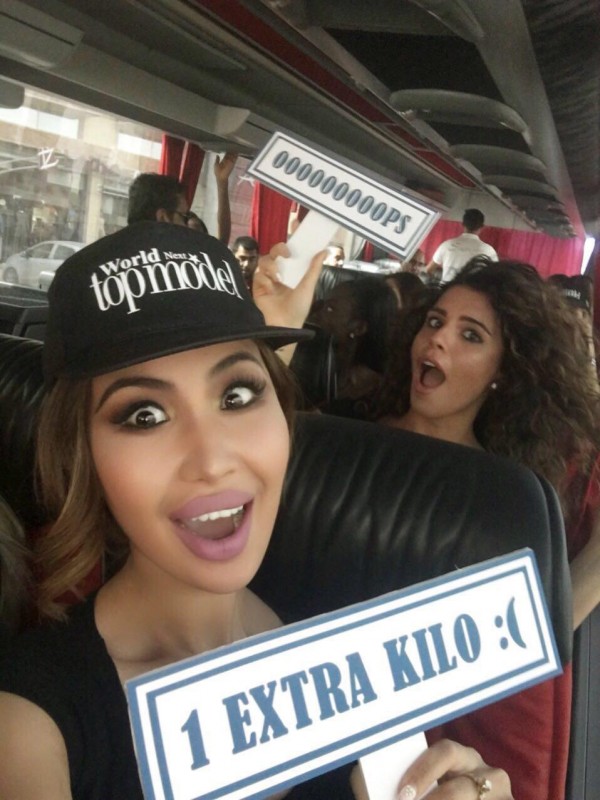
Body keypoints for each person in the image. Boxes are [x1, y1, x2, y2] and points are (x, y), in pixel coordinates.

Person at [0, 222, 511, 800]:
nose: (213, 460)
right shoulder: (31, 725)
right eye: (145, 416)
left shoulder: (356, 654)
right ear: (83, 456)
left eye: (237, 395)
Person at [374, 257, 599, 800]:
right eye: (435, 321)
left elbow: (519, 645)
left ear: (502, 372)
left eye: (470, 335)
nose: (439, 339)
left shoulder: (508, 502)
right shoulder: (337, 438)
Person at [309, 276, 399, 418]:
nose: (316, 313)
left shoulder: (364, 389)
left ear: (358, 328)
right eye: (322, 305)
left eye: (331, 309)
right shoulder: (322, 360)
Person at [127, 152, 237, 244]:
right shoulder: (176, 257)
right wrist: (222, 183)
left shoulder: (121, 250)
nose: (186, 227)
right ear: (163, 218)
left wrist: (222, 182)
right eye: (184, 217)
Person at [425, 210, 498, 283]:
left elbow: (428, 270)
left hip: (447, 289)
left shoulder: (446, 245)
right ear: (482, 227)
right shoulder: (489, 250)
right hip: (472, 290)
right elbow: (496, 277)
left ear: (462, 224)